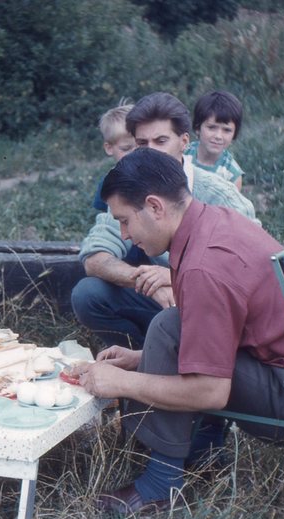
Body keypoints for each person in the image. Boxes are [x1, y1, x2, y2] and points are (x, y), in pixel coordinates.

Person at [77, 148, 284, 514]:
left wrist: (119, 383)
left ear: (155, 206)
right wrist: (139, 360)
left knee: (167, 327)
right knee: (170, 331)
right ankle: (202, 451)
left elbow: (210, 391)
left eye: (125, 220)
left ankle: (161, 486)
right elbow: (221, 329)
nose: (124, 235)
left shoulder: (204, 265)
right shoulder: (213, 221)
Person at [71, 92, 258, 350]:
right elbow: (95, 256)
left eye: (161, 141)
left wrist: (173, 277)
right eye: (141, 143)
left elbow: (251, 270)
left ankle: (178, 367)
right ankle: (139, 357)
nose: (150, 153)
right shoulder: (129, 188)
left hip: (212, 308)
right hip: (162, 300)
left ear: (183, 142)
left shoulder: (221, 195)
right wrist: (145, 280)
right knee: (88, 294)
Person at [185, 90, 245, 190]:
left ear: (234, 134)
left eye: (227, 130)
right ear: (197, 128)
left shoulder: (232, 175)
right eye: (212, 127)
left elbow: (228, 205)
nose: (218, 136)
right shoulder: (182, 154)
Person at [91, 100, 136, 212]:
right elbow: (104, 216)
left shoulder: (156, 174)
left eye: (142, 145)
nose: (136, 153)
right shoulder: (109, 182)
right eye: (126, 148)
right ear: (109, 148)